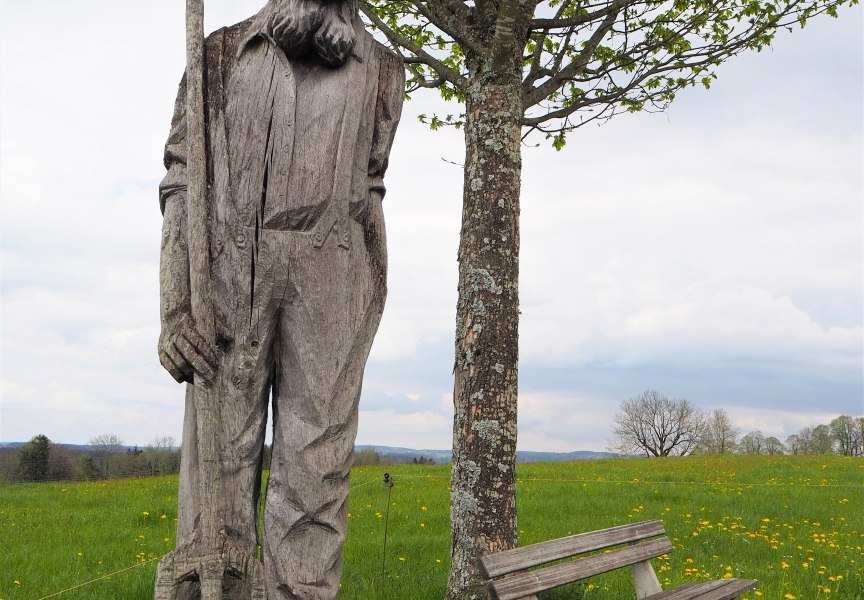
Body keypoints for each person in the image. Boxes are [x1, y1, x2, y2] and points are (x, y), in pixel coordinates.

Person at [156, 0, 403, 597]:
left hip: (333, 280)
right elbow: (182, 183)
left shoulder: (384, 73)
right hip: (227, 278)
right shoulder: (215, 56)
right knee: (218, 472)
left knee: (317, 473)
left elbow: (370, 194)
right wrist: (175, 306)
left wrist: (364, 303)